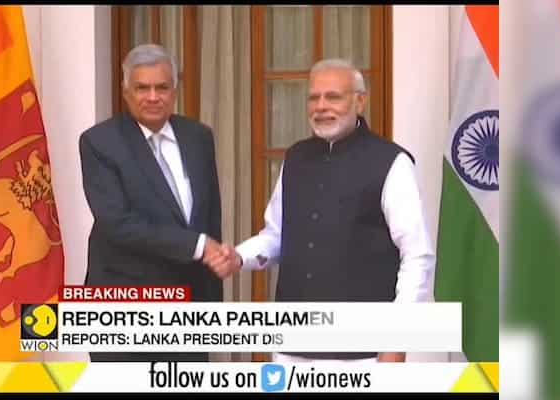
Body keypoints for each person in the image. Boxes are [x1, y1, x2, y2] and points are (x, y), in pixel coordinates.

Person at [207, 58, 436, 364]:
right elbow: (277, 236)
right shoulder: (295, 158)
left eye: (333, 97)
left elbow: (417, 256)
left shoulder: (392, 163)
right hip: (292, 348)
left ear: (360, 101)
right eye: (314, 97)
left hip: (362, 353)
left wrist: (397, 342)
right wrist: (239, 256)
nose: (321, 106)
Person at [79, 44, 224, 362]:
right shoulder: (100, 142)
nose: (153, 97)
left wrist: (213, 296)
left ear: (175, 91)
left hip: (189, 310)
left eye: (162, 87)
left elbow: (209, 215)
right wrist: (199, 246)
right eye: (142, 88)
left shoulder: (198, 136)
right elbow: (117, 224)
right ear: (126, 92)